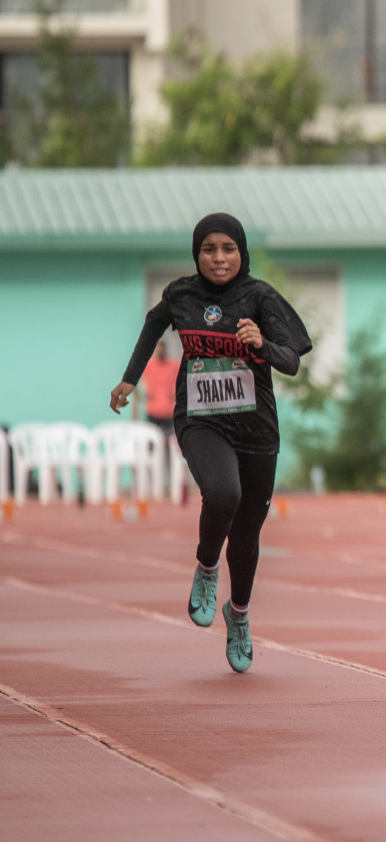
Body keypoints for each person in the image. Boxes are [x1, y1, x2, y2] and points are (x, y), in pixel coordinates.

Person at [111, 213, 311, 673]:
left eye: (228, 249)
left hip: (256, 427)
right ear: (196, 253)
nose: (218, 258)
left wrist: (260, 342)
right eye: (208, 249)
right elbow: (152, 324)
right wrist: (129, 380)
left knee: (246, 535)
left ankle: (238, 614)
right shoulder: (182, 294)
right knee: (223, 494)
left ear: (241, 253)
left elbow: (292, 361)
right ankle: (205, 568)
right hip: (201, 419)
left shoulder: (259, 297)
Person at [136, 340, 179, 438]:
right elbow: (133, 382)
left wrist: (175, 396)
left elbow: (183, 380)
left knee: (168, 441)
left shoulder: (174, 365)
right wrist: (142, 397)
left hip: (168, 412)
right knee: (152, 441)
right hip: (152, 412)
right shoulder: (148, 365)